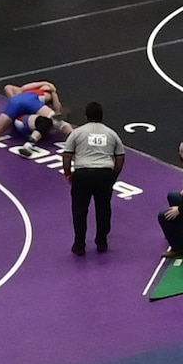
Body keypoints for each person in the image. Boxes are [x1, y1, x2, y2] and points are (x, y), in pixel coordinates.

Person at [62, 99, 125, 256]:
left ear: (86, 116)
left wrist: (68, 173)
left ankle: (79, 244)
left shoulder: (77, 133)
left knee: (79, 209)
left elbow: (67, 155)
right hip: (104, 174)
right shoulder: (111, 134)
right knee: (103, 208)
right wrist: (114, 176)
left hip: (83, 174)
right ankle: (102, 242)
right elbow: (120, 157)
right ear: (102, 116)